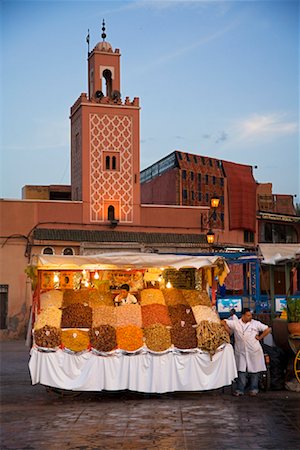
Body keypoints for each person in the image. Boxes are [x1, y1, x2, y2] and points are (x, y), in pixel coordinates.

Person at [222, 307, 271, 397]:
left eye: (251, 315)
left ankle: (254, 389)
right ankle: (240, 390)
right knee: (241, 371)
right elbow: (223, 322)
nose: (250, 317)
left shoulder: (256, 324)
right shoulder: (236, 323)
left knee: (254, 371)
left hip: (254, 351)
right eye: (248, 315)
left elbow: (268, 329)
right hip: (241, 351)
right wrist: (227, 330)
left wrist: (260, 337)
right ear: (243, 316)